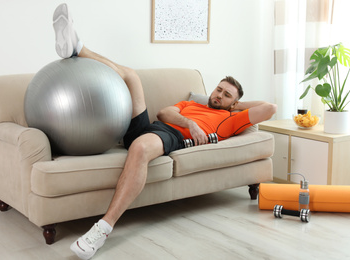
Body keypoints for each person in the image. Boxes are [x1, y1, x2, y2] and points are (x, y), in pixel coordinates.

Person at [52, 3, 277, 259]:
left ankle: (102, 229)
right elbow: (163, 113)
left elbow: (270, 107)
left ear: (233, 103)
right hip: (152, 126)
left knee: (139, 147)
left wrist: (235, 107)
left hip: (171, 138)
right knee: (132, 77)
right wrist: (190, 121)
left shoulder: (229, 120)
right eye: (218, 89)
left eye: (226, 95)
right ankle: (78, 48)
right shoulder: (192, 104)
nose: (218, 95)